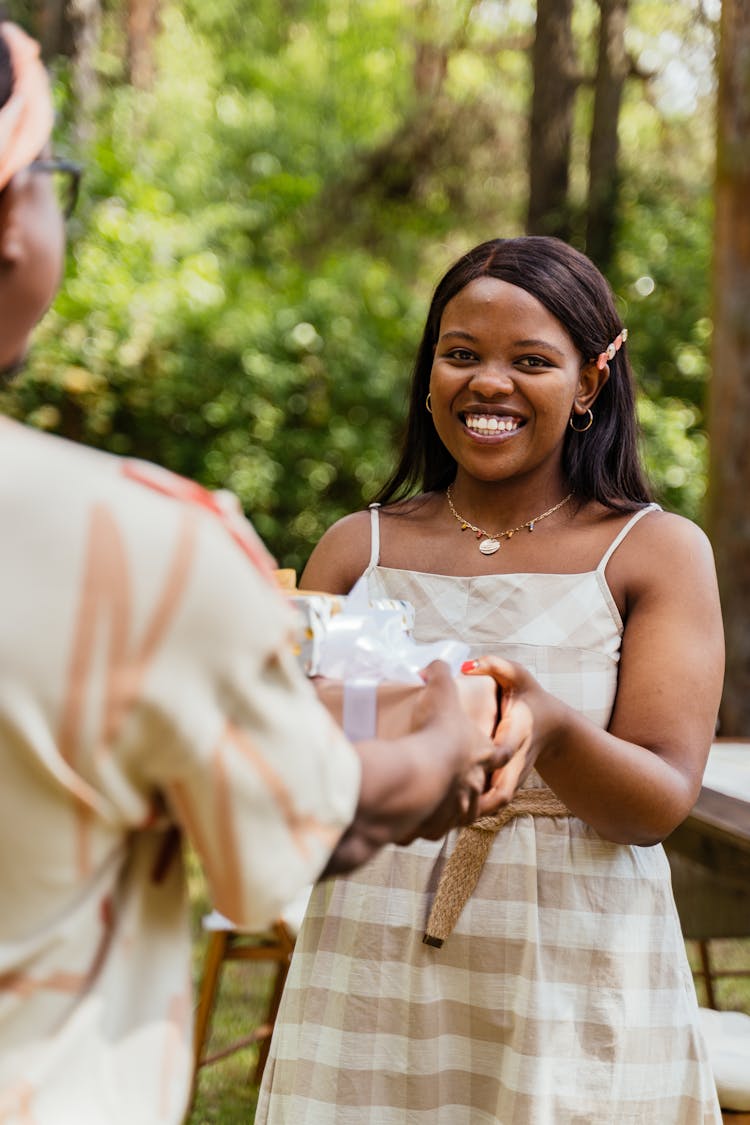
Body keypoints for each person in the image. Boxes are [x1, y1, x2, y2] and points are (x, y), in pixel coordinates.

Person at [0, 23, 506, 1125]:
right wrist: (444, 736)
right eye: (54, 180)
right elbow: (317, 818)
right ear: (8, 222)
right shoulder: (137, 546)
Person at [256, 236, 726, 1123]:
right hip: (370, 964)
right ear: (430, 368)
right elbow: (292, 749)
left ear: (589, 382)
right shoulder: (362, 549)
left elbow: (659, 801)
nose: (489, 383)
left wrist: (545, 724)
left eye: (532, 361)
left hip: (571, 973)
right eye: (461, 354)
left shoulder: (654, 552)